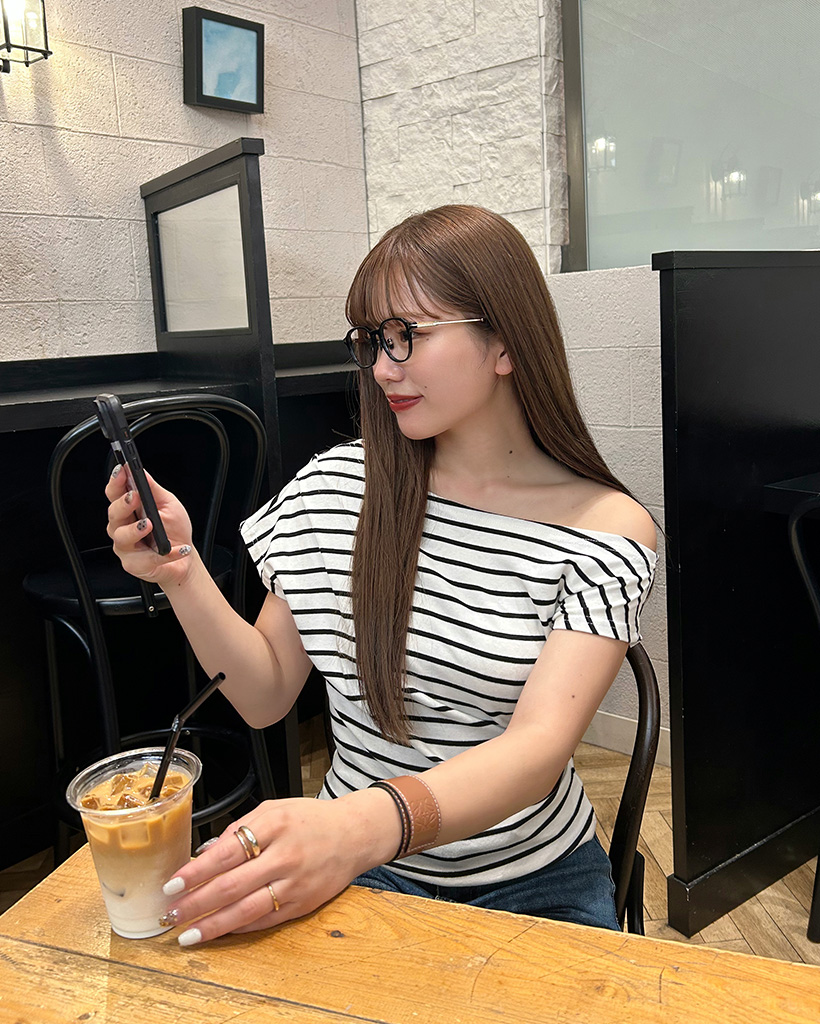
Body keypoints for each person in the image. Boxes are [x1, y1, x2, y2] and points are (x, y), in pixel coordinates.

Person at [106, 204, 656, 947]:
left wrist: (357, 827)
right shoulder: (339, 487)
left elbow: (536, 752)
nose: (381, 367)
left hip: (530, 877)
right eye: (370, 340)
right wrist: (181, 571)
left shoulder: (603, 528)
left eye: (405, 335)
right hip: (359, 866)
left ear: (504, 341)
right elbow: (265, 694)